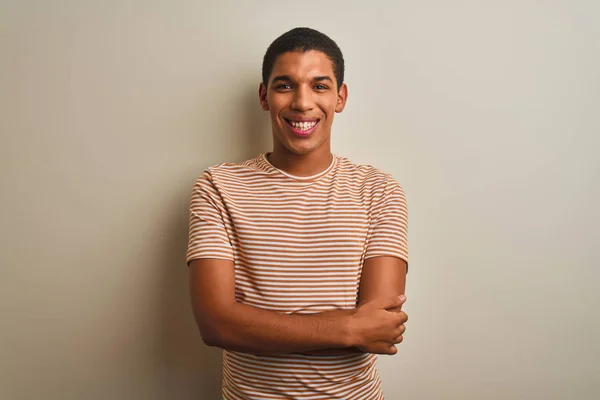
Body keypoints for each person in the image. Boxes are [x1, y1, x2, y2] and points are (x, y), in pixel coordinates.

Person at [187, 27, 409, 400]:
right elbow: (215, 323)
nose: (303, 103)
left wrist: (254, 324)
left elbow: (380, 328)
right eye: (285, 85)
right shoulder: (217, 187)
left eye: (319, 86)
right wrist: (349, 328)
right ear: (264, 96)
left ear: (340, 98)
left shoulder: (379, 191)